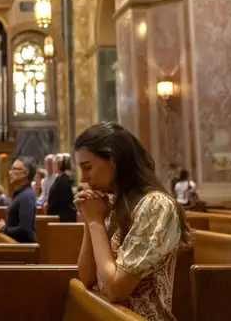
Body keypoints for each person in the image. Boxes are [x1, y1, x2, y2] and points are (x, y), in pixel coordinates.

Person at [73, 122, 191, 320]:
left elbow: (115, 288)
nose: (84, 178)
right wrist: (90, 218)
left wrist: (95, 223)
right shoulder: (112, 202)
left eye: (88, 167)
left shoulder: (156, 205)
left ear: (114, 161)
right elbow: (87, 277)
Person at [0, 156, 37, 243]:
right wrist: (7, 225)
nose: (10, 172)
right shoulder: (21, 193)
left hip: (24, 250)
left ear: (25, 173)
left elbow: (25, 230)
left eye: (14, 169)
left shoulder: (26, 196)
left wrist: (4, 228)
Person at [46, 153, 76, 222]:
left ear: (60, 164)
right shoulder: (59, 179)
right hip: (57, 214)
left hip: (62, 217)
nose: (52, 166)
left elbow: (61, 199)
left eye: (54, 164)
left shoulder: (64, 180)